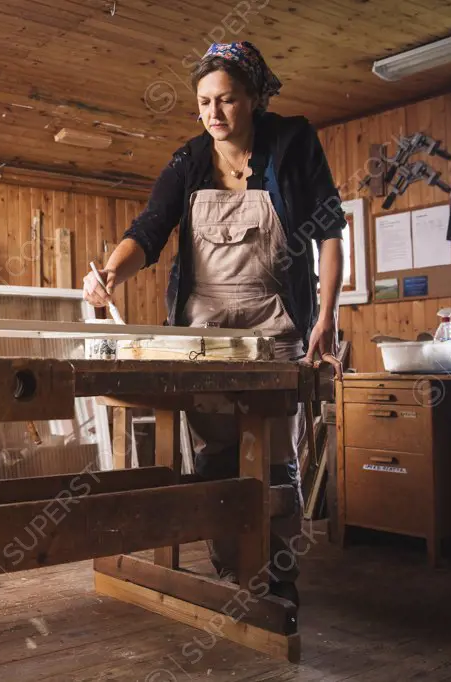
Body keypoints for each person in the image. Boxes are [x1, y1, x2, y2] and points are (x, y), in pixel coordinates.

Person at [82, 41, 344, 608]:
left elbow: (328, 231)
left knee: (273, 451)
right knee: (218, 451)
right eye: (204, 103)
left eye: (226, 101)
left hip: (274, 321)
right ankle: (232, 569)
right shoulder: (189, 160)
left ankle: (277, 577)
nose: (214, 115)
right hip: (203, 327)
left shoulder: (293, 143)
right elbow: (149, 230)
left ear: (254, 97)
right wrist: (109, 273)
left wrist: (326, 315)